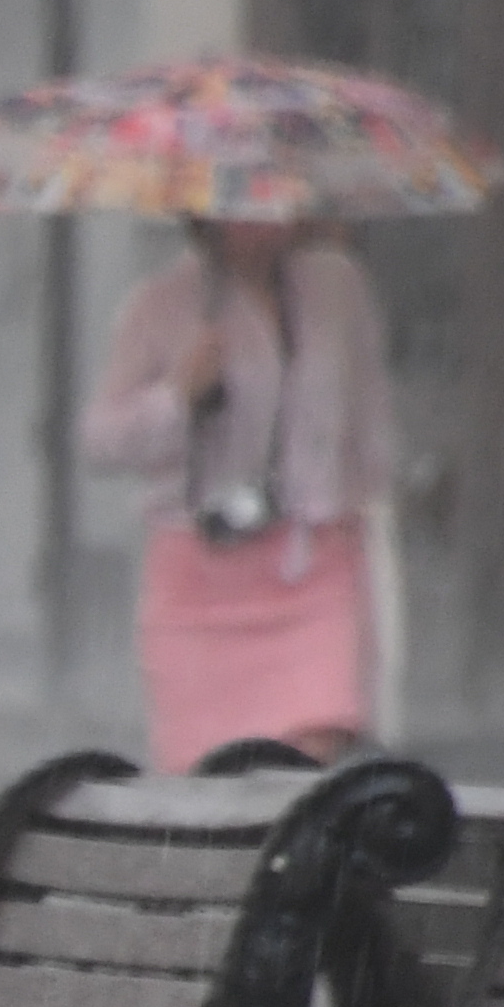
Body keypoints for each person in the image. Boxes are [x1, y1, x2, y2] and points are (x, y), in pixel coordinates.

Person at [77, 217, 395, 772]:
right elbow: (101, 441)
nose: (262, 221)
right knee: (210, 776)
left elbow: (368, 412)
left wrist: (373, 505)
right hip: (200, 575)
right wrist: (178, 396)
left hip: (314, 561)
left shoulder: (338, 288)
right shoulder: (161, 305)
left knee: (317, 749)